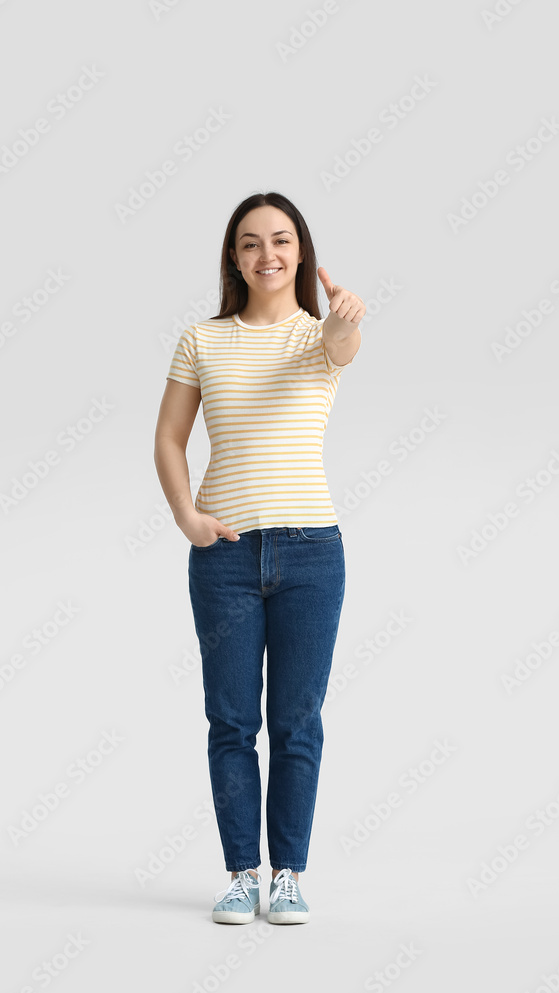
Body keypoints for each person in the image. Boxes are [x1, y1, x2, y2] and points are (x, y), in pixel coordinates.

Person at [154, 191, 363, 924]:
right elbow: (168, 440)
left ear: (300, 252)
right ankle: (242, 872)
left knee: (298, 721)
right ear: (233, 257)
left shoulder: (320, 336)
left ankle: (289, 877)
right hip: (225, 555)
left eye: (280, 240)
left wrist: (341, 323)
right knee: (231, 720)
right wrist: (188, 518)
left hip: (311, 553)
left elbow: (340, 349)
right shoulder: (200, 340)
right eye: (249, 243)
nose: (265, 254)